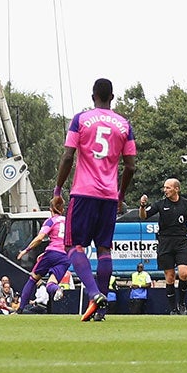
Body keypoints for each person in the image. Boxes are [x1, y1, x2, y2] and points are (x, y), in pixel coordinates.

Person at [54, 77, 137, 322]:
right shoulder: (124, 125)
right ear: (112, 97)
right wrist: (120, 195)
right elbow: (131, 166)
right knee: (104, 249)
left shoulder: (81, 120)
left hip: (83, 193)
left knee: (72, 246)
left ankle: (93, 293)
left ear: (93, 96)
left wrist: (58, 189)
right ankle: (101, 310)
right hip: (109, 196)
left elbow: (68, 156)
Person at [18, 190, 72, 311]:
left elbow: (40, 238)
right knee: (50, 284)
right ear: (62, 209)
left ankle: (20, 309)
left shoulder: (51, 221)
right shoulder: (69, 222)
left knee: (33, 279)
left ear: (50, 209)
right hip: (65, 257)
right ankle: (57, 289)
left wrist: (26, 250)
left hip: (52, 253)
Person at [153, 177, 187, 313]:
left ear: (176, 189)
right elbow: (143, 216)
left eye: (168, 187)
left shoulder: (186, 205)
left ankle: (181, 303)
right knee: (169, 277)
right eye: (164, 187)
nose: (165, 190)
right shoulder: (160, 204)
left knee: (184, 274)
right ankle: (173, 308)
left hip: (181, 242)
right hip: (165, 242)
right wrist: (143, 207)